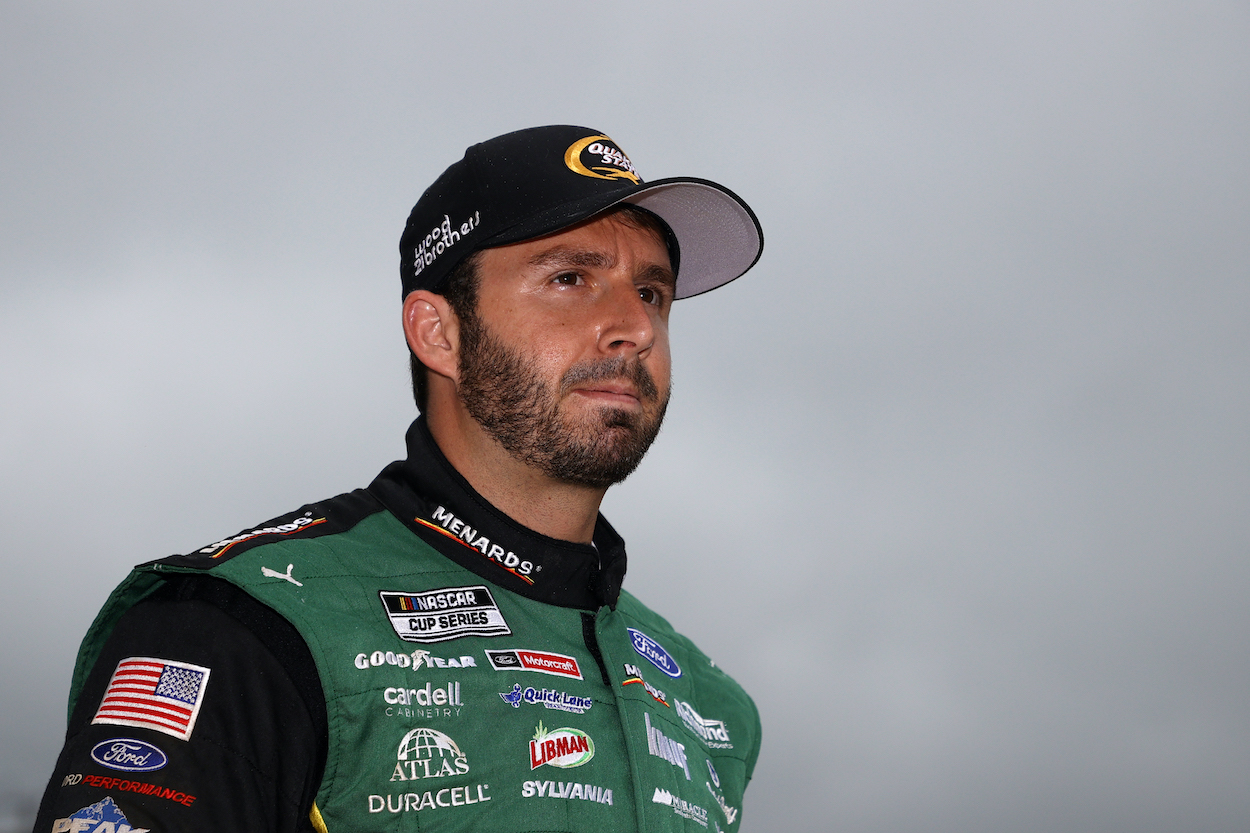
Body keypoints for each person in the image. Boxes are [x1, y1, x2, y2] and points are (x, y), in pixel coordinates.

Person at [33, 125, 764, 833]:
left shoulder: (708, 702)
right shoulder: (238, 625)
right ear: (438, 332)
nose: (634, 325)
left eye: (652, 293)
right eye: (570, 278)